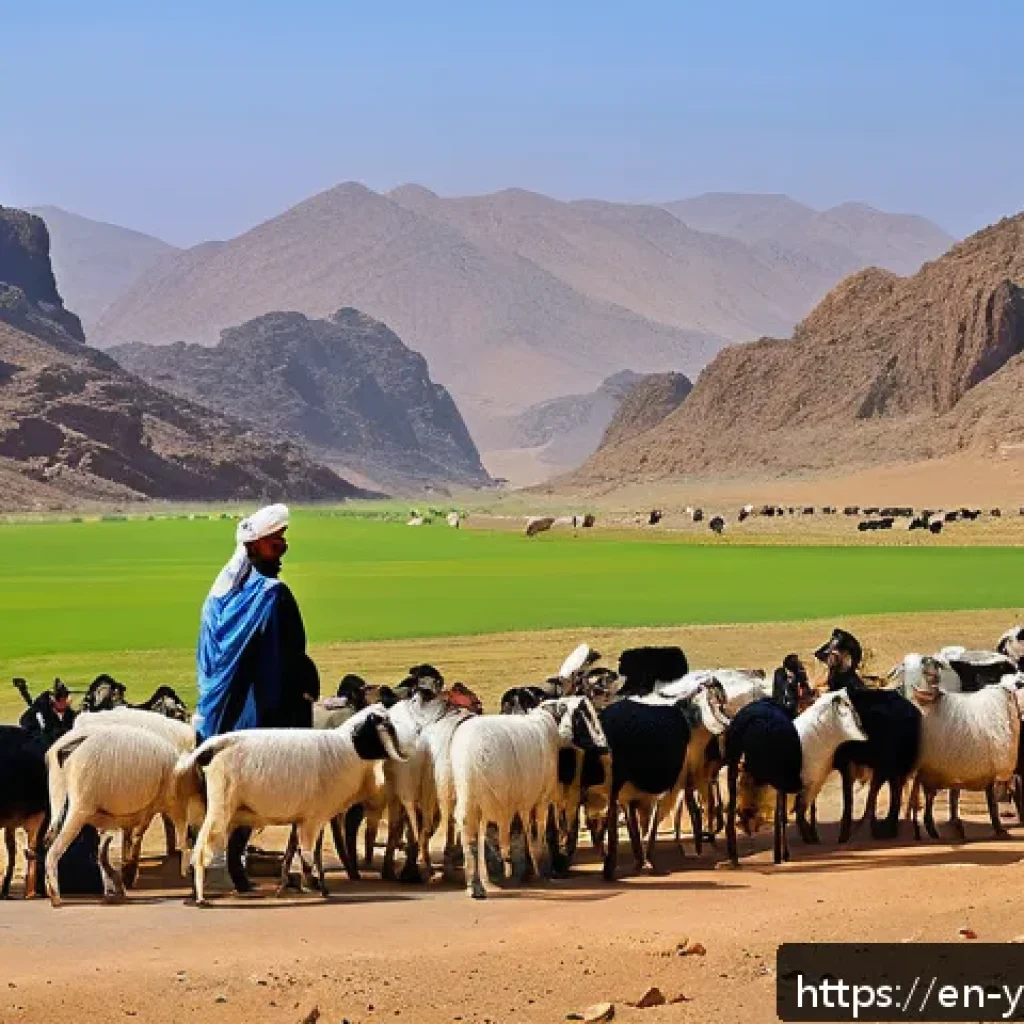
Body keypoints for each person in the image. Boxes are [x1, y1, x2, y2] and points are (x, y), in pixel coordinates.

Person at [194, 503, 320, 892]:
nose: (283, 550)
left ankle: (221, 865)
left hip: (218, 716)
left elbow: (207, 661)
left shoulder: (216, 598)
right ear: (253, 547)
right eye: (275, 544)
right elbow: (287, 658)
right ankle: (285, 868)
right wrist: (304, 691)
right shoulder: (273, 596)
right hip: (262, 714)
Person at [17, 678, 77, 745]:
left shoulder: (70, 714)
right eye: (60, 701)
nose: (62, 703)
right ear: (53, 700)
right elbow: (25, 722)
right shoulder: (41, 712)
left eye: (64, 700)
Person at [813, 628, 867, 693]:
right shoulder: (833, 675)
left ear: (845, 654)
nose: (827, 660)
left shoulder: (853, 686)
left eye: (833, 654)